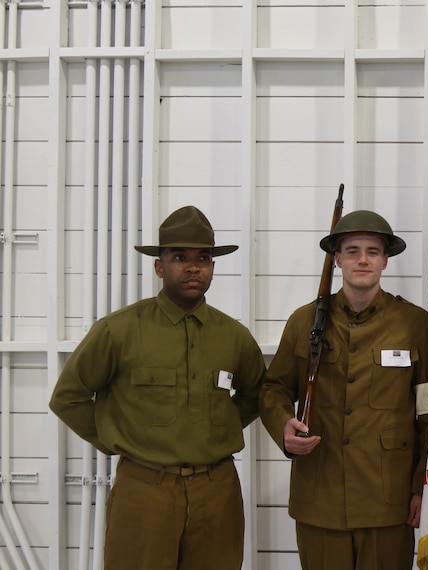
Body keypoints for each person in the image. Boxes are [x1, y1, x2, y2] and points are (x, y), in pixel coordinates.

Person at [48, 205, 266, 570]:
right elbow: (68, 397)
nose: (194, 266)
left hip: (218, 492)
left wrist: (213, 432)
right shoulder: (118, 330)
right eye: (180, 256)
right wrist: (117, 437)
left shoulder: (234, 337)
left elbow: (256, 395)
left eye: (204, 257)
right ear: (159, 266)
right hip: (144, 490)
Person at [258, 209, 428, 570]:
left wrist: (421, 487)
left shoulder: (414, 324)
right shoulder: (303, 321)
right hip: (319, 496)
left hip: (388, 499)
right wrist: (283, 426)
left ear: (386, 260)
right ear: (336, 258)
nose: (362, 259)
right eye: (352, 250)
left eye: (373, 251)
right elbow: (274, 387)